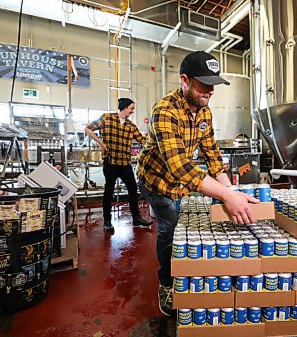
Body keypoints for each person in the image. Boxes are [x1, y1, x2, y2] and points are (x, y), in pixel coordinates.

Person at [137, 51, 259, 316]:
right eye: (204, 84)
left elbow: (213, 157)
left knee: (186, 220)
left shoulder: (205, 113)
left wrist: (233, 191)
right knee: (170, 227)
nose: (210, 91)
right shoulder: (164, 111)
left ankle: (188, 270)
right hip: (157, 181)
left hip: (181, 181)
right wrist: (227, 197)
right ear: (185, 80)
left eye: (213, 85)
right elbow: (180, 166)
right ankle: (167, 283)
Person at [85, 98, 152, 231]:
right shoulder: (107, 118)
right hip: (111, 162)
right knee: (108, 192)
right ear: (124, 107)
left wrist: (155, 137)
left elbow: (143, 141)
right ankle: (107, 221)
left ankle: (136, 218)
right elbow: (88, 129)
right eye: (131, 108)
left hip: (125, 164)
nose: (132, 111)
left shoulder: (131, 126)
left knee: (133, 189)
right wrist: (101, 143)